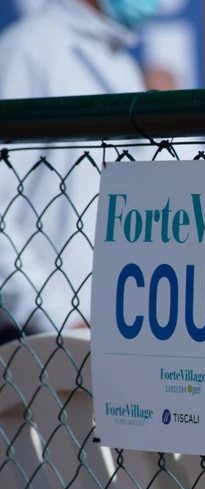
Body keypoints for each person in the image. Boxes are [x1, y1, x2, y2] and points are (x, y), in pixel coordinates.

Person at [0, 0, 162, 345]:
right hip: (31, 342)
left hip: (109, 338)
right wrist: (56, 317)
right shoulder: (26, 50)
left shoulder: (122, 66)